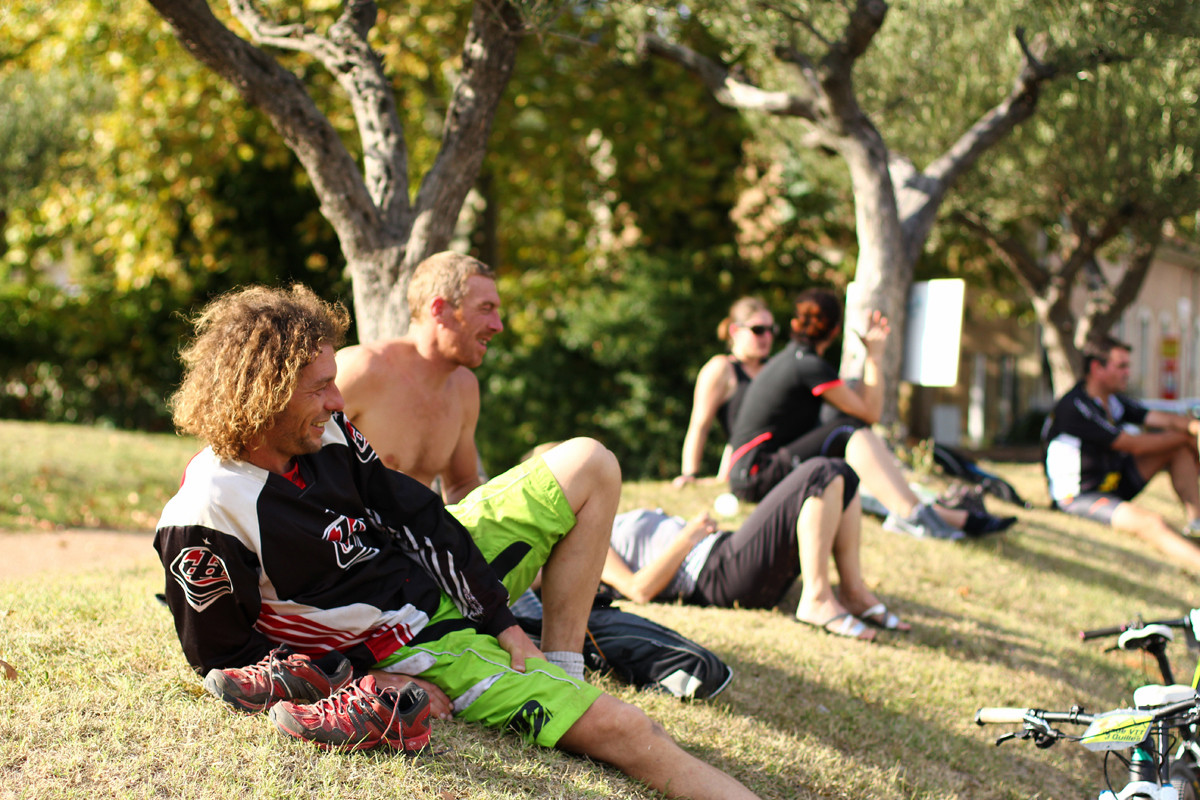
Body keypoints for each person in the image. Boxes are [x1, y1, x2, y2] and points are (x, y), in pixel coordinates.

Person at [154, 284, 760, 798]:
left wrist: (504, 623)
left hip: (429, 576)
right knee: (630, 731)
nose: (338, 402)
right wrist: (361, 678)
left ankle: (562, 666)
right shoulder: (207, 514)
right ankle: (565, 693)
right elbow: (225, 659)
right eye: (320, 388)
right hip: (406, 641)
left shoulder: (327, 434)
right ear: (266, 391)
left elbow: (417, 515)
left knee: (588, 461)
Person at [336, 252, 619, 687]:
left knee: (591, 467)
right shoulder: (361, 369)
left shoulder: (463, 387)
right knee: (589, 457)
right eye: (486, 308)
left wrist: (531, 545)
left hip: (432, 557)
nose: (499, 325)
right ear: (439, 309)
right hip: (363, 570)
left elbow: (464, 485)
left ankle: (564, 671)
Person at [728, 288, 1014, 540]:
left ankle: (941, 516)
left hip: (749, 473)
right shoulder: (808, 366)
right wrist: (875, 357)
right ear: (836, 330)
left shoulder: (795, 361)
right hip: (754, 477)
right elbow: (870, 414)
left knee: (844, 420)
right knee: (847, 428)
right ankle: (911, 515)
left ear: (794, 324)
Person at [605, 457, 908, 641]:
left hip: (723, 554)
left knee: (844, 474)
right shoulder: (591, 541)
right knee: (821, 472)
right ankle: (816, 599)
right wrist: (688, 538)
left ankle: (853, 592)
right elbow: (637, 590)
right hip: (715, 574)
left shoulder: (609, 520)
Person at [1043, 334, 1200, 572]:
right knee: (1151, 523)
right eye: (1121, 366)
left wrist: (1192, 428)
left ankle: (1197, 523)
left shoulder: (1114, 401)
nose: (1127, 372)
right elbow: (1133, 445)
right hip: (1079, 497)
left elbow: (1159, 418)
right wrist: (1187, 435)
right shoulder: (1075, 406)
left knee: (1177, 447)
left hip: (1114, 483)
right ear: (1097, 368)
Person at [674, 297, 777, 487]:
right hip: (744, 463)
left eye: (771, 330)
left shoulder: (775, 367)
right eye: (758, 330)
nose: (766, 337)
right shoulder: (721, 369)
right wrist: (690, 474)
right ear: (735, 331)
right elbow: (699, 426)